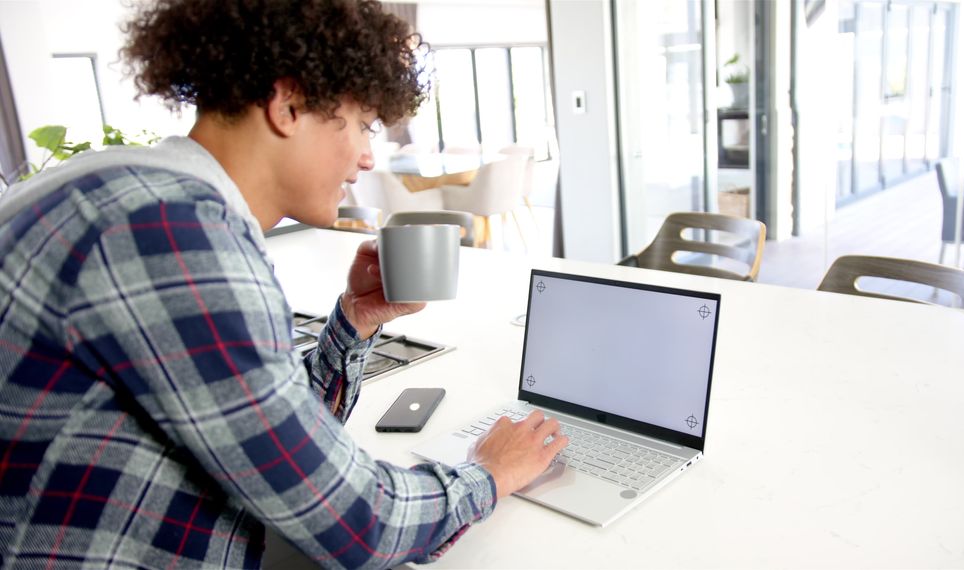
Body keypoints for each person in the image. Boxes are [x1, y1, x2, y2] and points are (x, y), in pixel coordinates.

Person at [0, 0, 568, 567]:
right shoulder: (174, 235)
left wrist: (351, 324)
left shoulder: (130, 189)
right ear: (289, 103)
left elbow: (264, 437)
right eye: (363, 123)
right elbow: (357, 522)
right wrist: (490, 472)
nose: (369, 156)